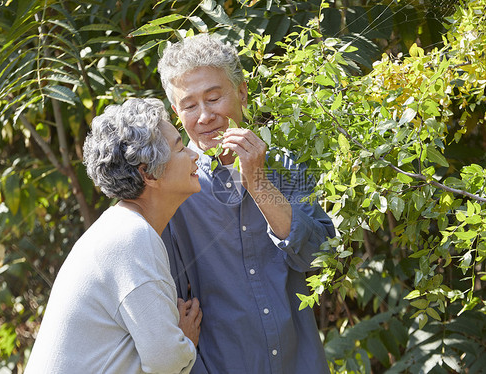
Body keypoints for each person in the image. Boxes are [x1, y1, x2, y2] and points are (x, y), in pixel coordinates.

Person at [158, 33, 335, 373]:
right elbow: (172, 301)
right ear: (177, 113)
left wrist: (257, 181)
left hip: (299, 362)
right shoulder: (173, 188)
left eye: (213, 97)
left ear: (241, 93)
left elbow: (319, 256)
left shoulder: (285, 164)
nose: (205, 116)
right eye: (190, 105)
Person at [25, 98, 203, 374]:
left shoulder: (121, 228)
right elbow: (166, 360)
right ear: (149, 174)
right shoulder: (132, 238)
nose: (195, 156)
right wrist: (186, 342)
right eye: (180, 148)